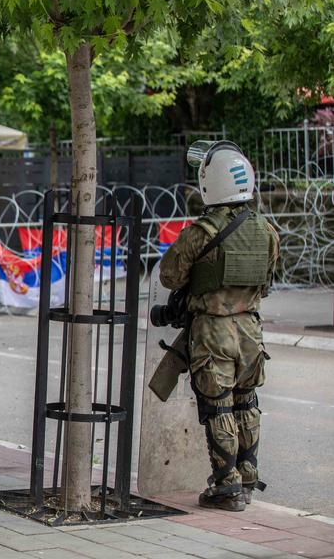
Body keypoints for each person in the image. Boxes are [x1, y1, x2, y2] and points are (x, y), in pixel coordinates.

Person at [160, 141, 279, 512]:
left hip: (212, 332)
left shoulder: (201, 231)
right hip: (251, 330)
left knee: (218, 407)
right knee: (248, 401)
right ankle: (246, 473)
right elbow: (268, 281)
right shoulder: (267, 230)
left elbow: (169, 276)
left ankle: (225, 485)